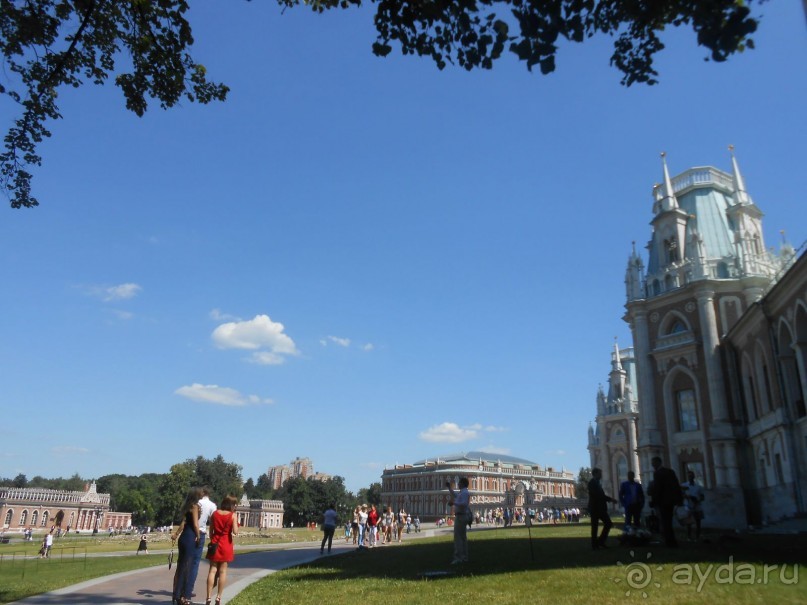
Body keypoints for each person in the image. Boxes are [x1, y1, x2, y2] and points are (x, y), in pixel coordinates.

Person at [205, 494, 239, 605]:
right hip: (226, 544)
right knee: (223, 571)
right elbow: (235, 531)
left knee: (212, 571)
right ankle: (219, 597)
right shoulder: (232, 515)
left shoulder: (215, 514)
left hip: (215, 543)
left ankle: (208, 597)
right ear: (231, 505)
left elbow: (211, 532)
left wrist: (214, 540)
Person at [171, 487, 202, 605]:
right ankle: (182, 596)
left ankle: (176, 593)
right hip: (190, 536)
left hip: (183, 537)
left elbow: (183, 523)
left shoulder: (187, 506)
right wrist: (198, 536)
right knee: (187, 567)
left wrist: (176, 534)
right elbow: (195, 523)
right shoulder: (194, 506)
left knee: (181, 566)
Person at [188, 487, 217, 601]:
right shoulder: (212, 505)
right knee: (195, 563)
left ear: (202, 493)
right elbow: (214, 520)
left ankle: (180, 588)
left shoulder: (196, 503)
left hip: (190, 531)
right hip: (201, 532)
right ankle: (189, 590)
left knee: (186, 561)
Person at [648, 456, 684, 547]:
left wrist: (653, 500)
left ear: (658, 463)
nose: (652, 465)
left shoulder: (658, 473)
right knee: (668, 521)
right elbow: (676, 486)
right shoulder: (670, 472)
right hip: (670, 501)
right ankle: (671, 540)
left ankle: (669, 541)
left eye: (653, 463)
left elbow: (658, 489)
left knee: (665, 522)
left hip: (663, 501)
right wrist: (679, 499)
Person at [588, 467, 617, 550]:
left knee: (607, 524)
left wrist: (609, 499)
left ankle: (599, 542)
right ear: (595, 474)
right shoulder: (592, 483)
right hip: (595, 508)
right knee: (596, 526)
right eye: (600, 473)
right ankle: (596, 544)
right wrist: (610, 499)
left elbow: (600, 495)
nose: (601, 475)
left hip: (599, 508)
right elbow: (598, 495)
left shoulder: (597, 483)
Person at [447, 477, 471, 564]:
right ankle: (464, 557)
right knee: (463, 538)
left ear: (463, 484)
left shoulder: (464, 493)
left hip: (461, 516)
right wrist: (449, 488)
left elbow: (464, 504)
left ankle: (458, 558)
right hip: (461, 516)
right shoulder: (463, 492)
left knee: (458, 538)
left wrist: (454, 503)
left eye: (460, 483)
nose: (458, 484)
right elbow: (455, 495)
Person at [681, 470, 705, 541]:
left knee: (698, 522)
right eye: (689, 476)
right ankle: (689, 537)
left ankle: (697, 536)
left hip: (697, 506)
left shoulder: (698, 486)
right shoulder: (684, 485)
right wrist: (686, 497)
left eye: (691, 476)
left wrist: (697, 501)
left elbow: (702, 497)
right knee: (689, 523)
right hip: (688, 506)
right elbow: (681, 495)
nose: (690, 477)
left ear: (694, 476)